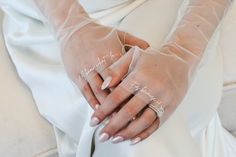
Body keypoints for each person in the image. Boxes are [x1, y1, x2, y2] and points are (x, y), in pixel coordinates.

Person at [1, 0, 235, 156]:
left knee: (136, 116)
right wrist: (70, 26)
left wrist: (184, 51)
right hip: (49, 19)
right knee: (126, 121)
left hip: (168, 10)